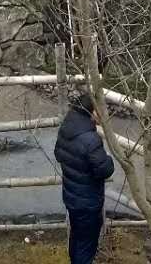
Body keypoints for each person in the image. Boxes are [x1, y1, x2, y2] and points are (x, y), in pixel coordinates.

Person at [54, 93, 116, 264]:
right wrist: (109, 158)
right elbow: (105, 169)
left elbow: (58, 154)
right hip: (88, 202)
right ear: (91, 112)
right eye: (100, 110)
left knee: (77, 239)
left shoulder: (67, 127)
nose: (103, 114)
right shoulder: (90, 139)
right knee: (86, 246)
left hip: (71, 197)